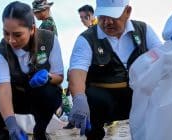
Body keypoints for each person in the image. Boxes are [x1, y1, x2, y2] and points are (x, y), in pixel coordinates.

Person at [68, 0, 162, 139]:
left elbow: (162, 58)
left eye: (113, 16)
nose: (107, 22)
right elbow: (77, 71)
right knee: (91, 98)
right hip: (103, 98)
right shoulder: (87, 38)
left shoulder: (143, 30)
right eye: (102, 17)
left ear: (127, 12)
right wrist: (79, 98)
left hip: (137, 95)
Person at [0, 1, 64, 140]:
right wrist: (11, 124)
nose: (11, 40)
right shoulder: (0, 50)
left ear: (32, 29)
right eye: (6, 33)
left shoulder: (50, 40)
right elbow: (3, 90)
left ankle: (40, 131)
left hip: (38, 98)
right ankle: (3, 129)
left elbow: (60, 77)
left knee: (52, 92)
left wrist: (48, 76)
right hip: (14, 97)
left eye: (17, 35)